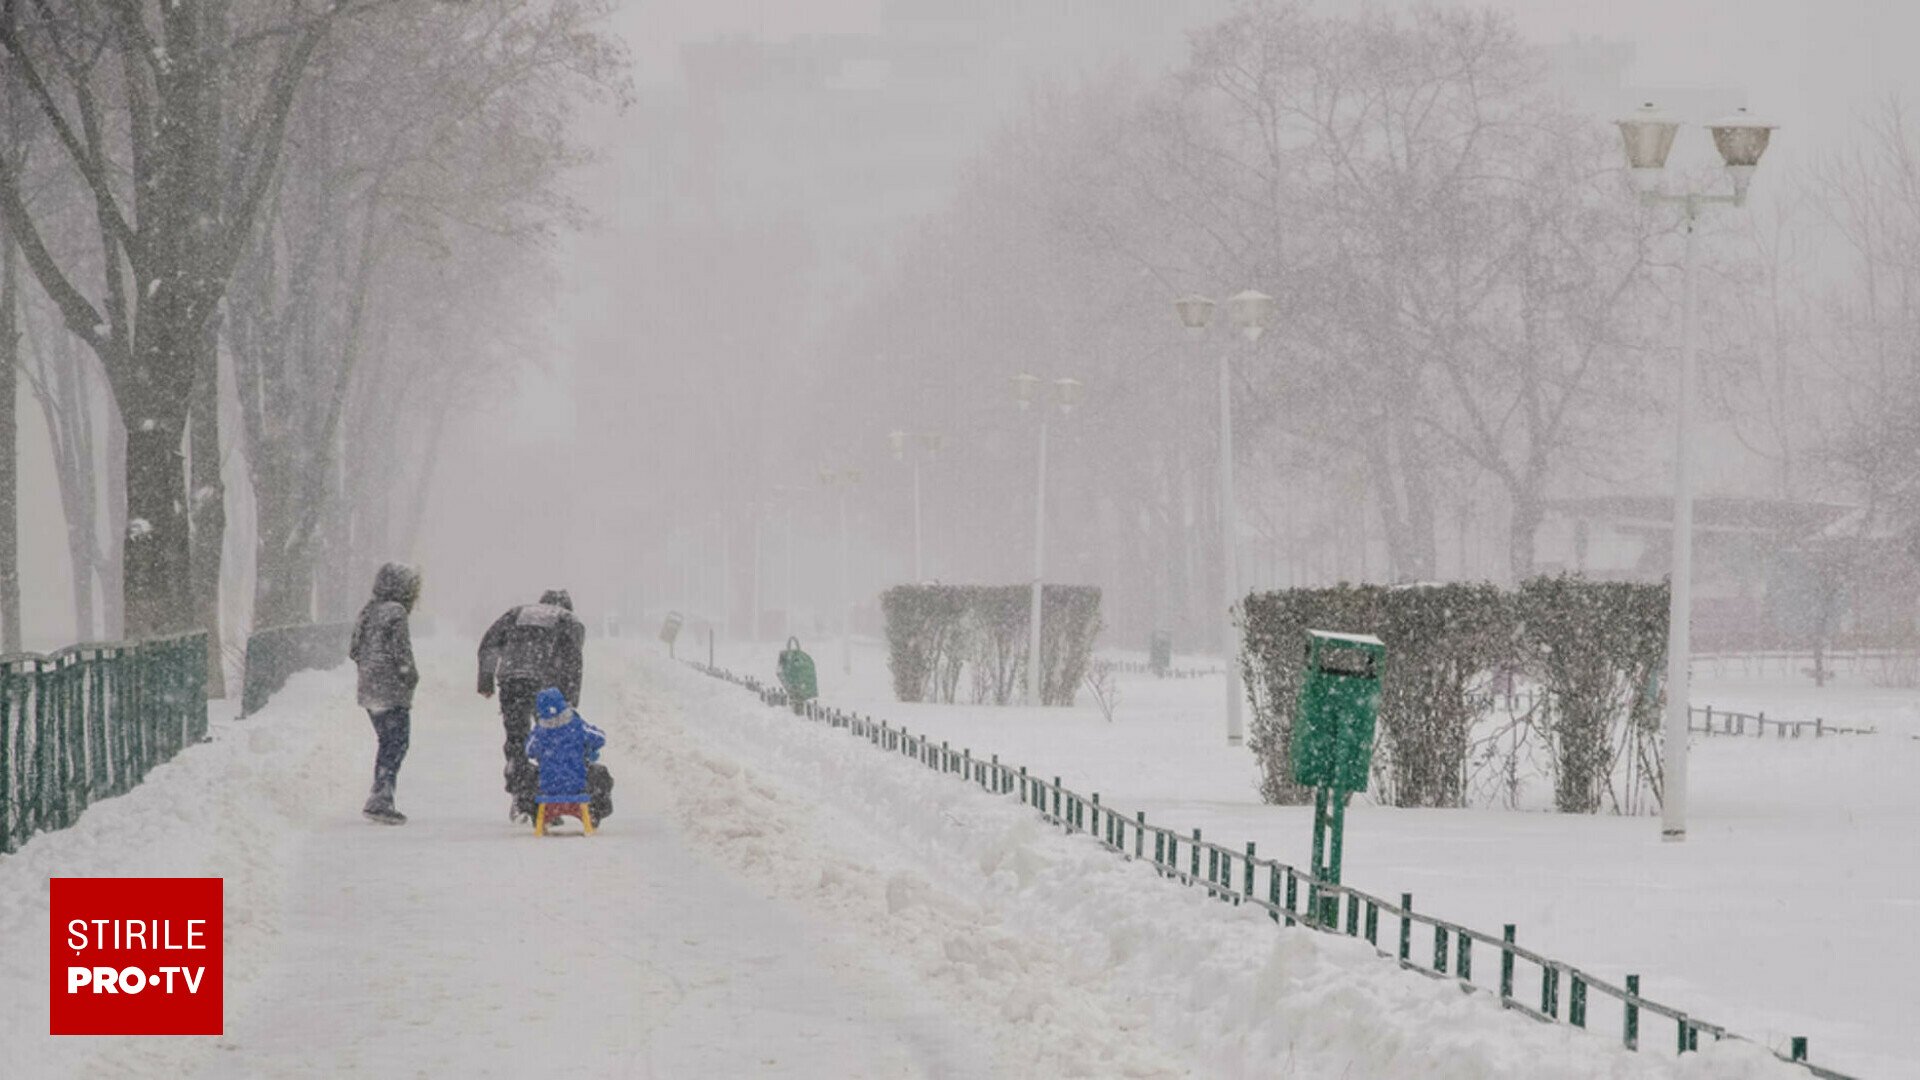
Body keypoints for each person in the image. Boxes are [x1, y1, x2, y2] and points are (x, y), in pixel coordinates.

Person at [477, 589, 586, 819]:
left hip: (512, 679)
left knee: (517, 738)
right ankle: (548, 801)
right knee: (550, 741)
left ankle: (520, 793)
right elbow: (573, 661)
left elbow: (489, 643)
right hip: (546, 682)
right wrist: (569, 699)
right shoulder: (569, 620)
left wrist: (486, 680)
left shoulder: (517, 613)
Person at [349, 563, 422, 825]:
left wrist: (369, 667)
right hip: (391, 690)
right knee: (396, 744)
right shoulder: (396, 612)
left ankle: (381, 794)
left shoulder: (368, 611)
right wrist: (410, 676)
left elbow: (353, 649)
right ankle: (380, 798)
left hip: (369, 689)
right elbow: (402, 653)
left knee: (387, 742)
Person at [524, 687, 614, 824]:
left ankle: (537, 815)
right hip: (578, 785)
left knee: (526, 774)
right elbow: (600, 738)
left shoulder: (539, 733)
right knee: (601, 773)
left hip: (548, 787)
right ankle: (595, 811)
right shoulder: (576, 726)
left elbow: (528, 750)